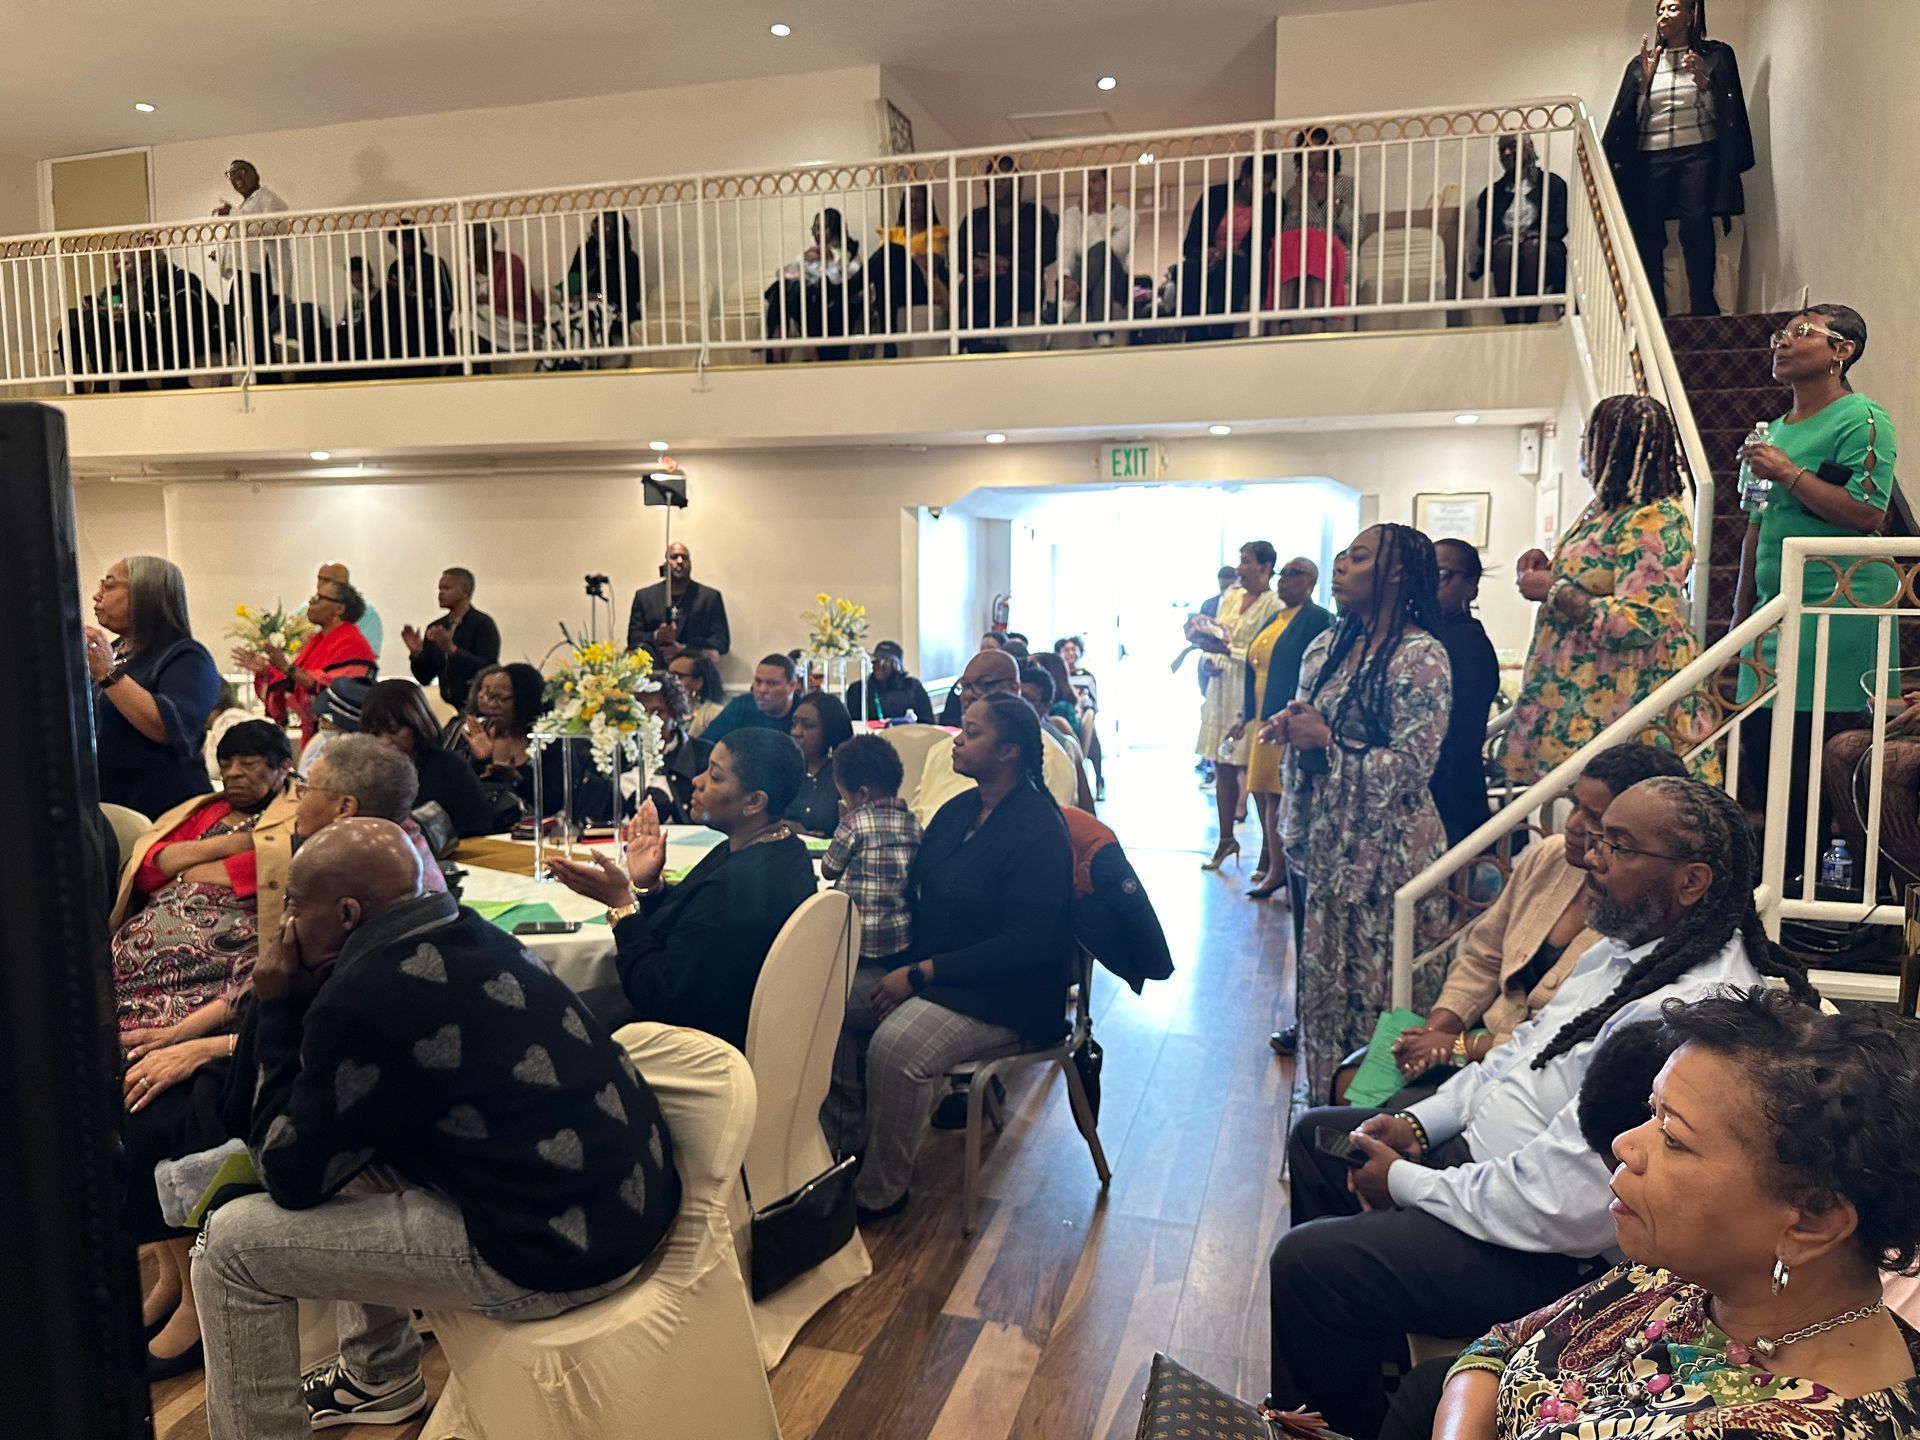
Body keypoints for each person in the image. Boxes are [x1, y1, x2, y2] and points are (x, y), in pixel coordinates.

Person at [1265, 777, 1814, 1436]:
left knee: (1309, 1265)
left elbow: (1571, 1203)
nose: (1591, 856)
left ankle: (1347, 1423)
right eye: (1598, 835)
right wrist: (1419, 1125)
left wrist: (1409, 1183)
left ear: (1692, 880)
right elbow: (1518, 1055)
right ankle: (1356, 1379)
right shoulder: (1626, 950)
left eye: (1619, 845)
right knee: (1321, 1142)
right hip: (1487, 1175)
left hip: (1549, 1248)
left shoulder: (1683, 1011)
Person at [193, 819, 680, 1439]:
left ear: (346, 913)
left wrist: (279, 1007)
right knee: (356, 1151)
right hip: (621, 1209)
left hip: (551, 1253)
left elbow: (286, 1173)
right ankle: (379, 1374)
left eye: (291, 904)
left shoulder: (366, 997)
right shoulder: (468, 931)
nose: (283, 924)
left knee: (230, 1247)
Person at [1416, 989, 1920, 1440]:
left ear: (1812, 1222)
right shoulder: (1682, 1277)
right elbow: (1499, 1347)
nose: (1624, 1144)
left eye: (1674, 1138)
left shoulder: (1808, 1422)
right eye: (1650, 1111)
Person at [120, 736, 446, 1378]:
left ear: (345, 807)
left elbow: (335, 1026)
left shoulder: (391, 879)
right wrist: (191, 1027)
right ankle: (172, 1277)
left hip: (328, 1072)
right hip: (281, 1037)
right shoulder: (339, 861)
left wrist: (207, 1048)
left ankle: (196, 1305)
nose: (293, 802)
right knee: (135, 1085)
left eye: (306, 791)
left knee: (168, 1109)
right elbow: (278, 976)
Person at [835, 695, 1072, 1221]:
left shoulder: (1038, 830)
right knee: (822, 1002)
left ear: (1009, 752)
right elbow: (918, 891)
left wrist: (919, 975)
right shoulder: (957, 811)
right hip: (934, 972)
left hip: (1008, 994)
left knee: (896, 1048)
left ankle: (879, 1191)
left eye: (971, 732)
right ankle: (844, 1155)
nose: (956, 741)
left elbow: (1025, 945)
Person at [1389, 743, 1689, 1088]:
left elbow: (1575, 1035)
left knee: (1359, 1124)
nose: (1574, 823)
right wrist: (1437, 1030)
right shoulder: (1548, 858)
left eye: (1595, 817)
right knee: (1350, 1083)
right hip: (1481, 1042)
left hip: (1539, 1074)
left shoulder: (1642, 909)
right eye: (1575, 804)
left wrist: (1463, 1046)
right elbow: (1483, 958)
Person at [1269, 526, 1450, 1086]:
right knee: (1327, 987)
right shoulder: (1328, 646)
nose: (1342, 565)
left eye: (1359, 556)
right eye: (1343, 555)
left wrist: (1326, 740)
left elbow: (1412, 769)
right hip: (1331, 844)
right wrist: (1295, 728)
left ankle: (1380, 1119)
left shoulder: (1423, 657)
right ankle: (1328, 1116)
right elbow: (1316, 724)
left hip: (1392, 853)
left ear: (1396, 573)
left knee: (1388, 988)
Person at [1732, 305, 1898, 883]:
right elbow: (1754, 527)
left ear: (1841, 351)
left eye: (1801, 333)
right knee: (1765, 754)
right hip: (1774, 618)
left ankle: (1825, 897)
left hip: (1839, 618)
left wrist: (1789, 474)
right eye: (1782, 333)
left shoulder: (1863, 417)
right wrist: (1739, 622)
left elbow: (1869, 515)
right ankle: (1776, 888)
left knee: (1822, 764)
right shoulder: (1770, 432)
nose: (1782, 342)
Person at [546, 731, 816, 1049]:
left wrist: (621, 905)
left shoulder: (735, 888)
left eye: (715, 776)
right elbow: (693, 928)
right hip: (756, 1033)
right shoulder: (783, 850)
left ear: (754, 801)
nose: (697, 781)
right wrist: (650, 887)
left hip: (702, 1051)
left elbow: (659, 996)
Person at [1501, 396, 1709, 786]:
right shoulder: (1605, 509)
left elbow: (1638, 622)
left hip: (1623, 694)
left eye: (1589, 438)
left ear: (1616, 446)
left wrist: (1555, 590)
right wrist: (1552, 566)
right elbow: (1597, 576)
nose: (1583, 449)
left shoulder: (1656, 519)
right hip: (1581, 687)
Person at [109, 720, 298, 1044]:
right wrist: (225, 846)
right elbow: (148, 870)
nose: (234, 773)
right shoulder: (204, 811)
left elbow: (271, 870)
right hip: (145, 944)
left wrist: (186, 868)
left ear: (283, 767)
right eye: (226, 764)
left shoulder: (302, 812)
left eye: (249, 764)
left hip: (235, 942)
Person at [1602, 0, 1754, 317]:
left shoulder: (1715, 56)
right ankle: (1653, 307)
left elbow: (1725, 118)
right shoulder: (1641, 63)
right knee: (1646, 228)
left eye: (1672, 8)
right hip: (1650, 156)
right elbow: (1630, 123)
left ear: (1691, 15)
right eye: (1660, 10)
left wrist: (1704, 85)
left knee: (1696, 221)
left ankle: (1703, 303)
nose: (1663, 15)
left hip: (1696, 153)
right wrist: (1643, 87)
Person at [84, 555, 222, 817]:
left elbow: (168, 727)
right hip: (111, 804)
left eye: (109, 586)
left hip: (166, 811)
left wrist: (106, 672)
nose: (96, 595)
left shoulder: (186, 656)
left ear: (144, 594)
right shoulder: (113, 654)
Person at [1228, 556, 1331, 900]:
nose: (1284, 580)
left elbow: (1315, 672)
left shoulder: (1317, 619)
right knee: (1262, 791)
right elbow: (1252, 665)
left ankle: (1281, 871)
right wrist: (1244, 712)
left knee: (1279, 794)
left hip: (1284, 718)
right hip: (1262, 714)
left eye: (1294, 574)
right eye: (1283, 574)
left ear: (1311, 581)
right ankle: (1273, 863)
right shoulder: (1276, 616)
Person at [1189, 542, 1283, 872]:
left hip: (1250, 690)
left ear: (1265, 566)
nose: (1240, 569)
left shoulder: (1275, 604)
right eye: (1240, 561)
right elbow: (1219, 636)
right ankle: (1226, 838)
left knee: (1254, 773)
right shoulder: (1229, 597)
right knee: (1222, 767)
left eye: (1246, 562)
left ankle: (1269, 853)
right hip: (1221, 688)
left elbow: (1265, 653)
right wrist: (1207, 657)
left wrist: (1229, 653)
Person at [913, 649, 1083, 822]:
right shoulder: (943, 749)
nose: (969, 695)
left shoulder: (1049, 757)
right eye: (965, 686)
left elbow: (1045, 825)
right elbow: (918, 812)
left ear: (1013, 689)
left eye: (983, 684)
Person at [820, 734, 923, 973]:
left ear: (862, 794)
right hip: (900, 938)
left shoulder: (854, 823)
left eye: (844, 795)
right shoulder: (914, 824)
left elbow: (828, 870)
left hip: (855, 937)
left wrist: (843, 820)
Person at [242, 576, 377, 747]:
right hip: (313, 732)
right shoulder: (317, 640)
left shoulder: (352, 643)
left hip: (340, 737)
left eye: (319, 598)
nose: (311, 602)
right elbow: (295, 681)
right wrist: (266, 671)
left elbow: (334, 688)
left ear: (339, 608)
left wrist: (286, 667)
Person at [1429, 539, 1502, 848]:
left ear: (1470, 586)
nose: (1429, 585)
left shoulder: (1467, 642)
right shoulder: (1429, 635)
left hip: (1451, 797)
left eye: (1442, 574)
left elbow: (1460, 737)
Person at [356, 679, 496, 839]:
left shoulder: (449, 767)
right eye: (375, 733)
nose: (385, 741)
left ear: (417, 723)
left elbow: (478, 828)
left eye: (394, 730)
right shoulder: (361, 772)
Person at [955, 155, 1059, 348]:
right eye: (993, 179)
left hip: (1021, 281)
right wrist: (976, 263)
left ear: (1017, 182)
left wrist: (1008, 262)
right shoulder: (975, 218)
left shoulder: (1036, 214)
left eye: (1003, 179)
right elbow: (956, 255)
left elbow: (1049, 251)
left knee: (1018, 281)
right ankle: (970, 339)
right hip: (981, 281)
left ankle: (977, 335)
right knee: (966, 290)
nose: (998, 184)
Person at [1469, 134, 1571, 325]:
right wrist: (1503, 239)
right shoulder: (1491, 193)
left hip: (1545, 253)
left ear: (1529, 148)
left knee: (1532, 246)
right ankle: (1512, 320)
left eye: (1512, 146)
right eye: (1502, 149)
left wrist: (1538, 235)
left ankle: (1531, 318)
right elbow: (1485, 236)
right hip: (1506, 256)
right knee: (1504, 247)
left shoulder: (1554, 185)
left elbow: (1559, 226)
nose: (1507, 153)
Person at [1179, 154, 1278, 340]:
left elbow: (1263, 247)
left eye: (1268, 186)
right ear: (1245, 178)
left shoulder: (1272, 204)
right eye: (1261, 184)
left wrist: (1225, 254)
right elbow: (1190, 243)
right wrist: (1206, 254)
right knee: (1189, 268)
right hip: (1209, 263)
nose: (1264, 191)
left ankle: (1221, 334)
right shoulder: (1215, 196)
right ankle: (1194, 335)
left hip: (1243, 266)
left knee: (1234, 266)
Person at [1272, 129, 1358, 329]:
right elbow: (1288, 236)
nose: (1312, 155)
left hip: (1332, 250)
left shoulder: (1345, 185)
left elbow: (1357, 231)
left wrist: (1335, 202)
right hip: (1300, 253)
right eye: (1307, 149)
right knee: (1288, 247)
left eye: (1317, 149)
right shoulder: (1294, 191)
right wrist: (1297, 202)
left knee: (1316, 240)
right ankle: (1284, 322)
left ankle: (1317, 320)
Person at [212, 159, 288, 370]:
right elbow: (244, 237)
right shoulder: (246, 205)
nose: (238, 178)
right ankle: (251, 370)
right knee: (238, 324)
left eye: (243, 172)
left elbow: (275, 227)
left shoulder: (267, 198)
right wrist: (221, 253)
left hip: (261, 273)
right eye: (232, 175)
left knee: (253, 327)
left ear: (256, 174)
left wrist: (235, 215)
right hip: (245, 272)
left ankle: (263, 375)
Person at [764, 207, 865, 361]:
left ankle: (808, 353)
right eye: (815, 228)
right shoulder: (813, 254)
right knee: (780, 288)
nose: (818, 233)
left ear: (835, 227)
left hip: (835, 306)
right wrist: (802, 266)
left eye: (822, 227)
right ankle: (776, 353)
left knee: (806, 290)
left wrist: (829, 260)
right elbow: (783, 272)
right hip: (809, 301)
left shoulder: (852, 254)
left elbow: (848, 283)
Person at [403, 566, 501, 710]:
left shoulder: (483, 624)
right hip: (454, 706)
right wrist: (417, 654)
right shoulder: (437, 627)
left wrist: (452, 650)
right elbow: (425, 678)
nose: (440, 594)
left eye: (446, 588)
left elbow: (490, 668)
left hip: (483, 707)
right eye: (439, 589)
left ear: (465, 591)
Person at [870, 185, 949, 351]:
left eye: (917, 201)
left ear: (927, 203)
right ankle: (889, 344)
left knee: (893, 251)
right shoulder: (893, 234)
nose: (913, 206)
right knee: (886, 275)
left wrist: (903, 257)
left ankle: (847, 288)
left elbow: (929, 263)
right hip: (897, 289)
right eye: (909, 201)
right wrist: (912, 256)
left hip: (922, 287)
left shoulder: (935, 233)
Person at [1054, 168, 1132, 335]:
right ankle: (1103, 335)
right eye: (1086, 182)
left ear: (1108, 184)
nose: (1089, 187)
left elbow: (1114, 252)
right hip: (1081, 274)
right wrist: (1066, 276)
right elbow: (1066, 246)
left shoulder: (1127, 217)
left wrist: (1088, 217)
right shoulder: (1072, 214)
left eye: (1094, 181)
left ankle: (1063, 306)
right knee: (1102, 272)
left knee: (1103, 253)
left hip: (1116, 278)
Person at [625, 541, 731, 660]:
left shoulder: (710, 597)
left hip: (694, 672)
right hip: (653, 670)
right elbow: (633, 638)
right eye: (674, 557)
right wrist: (657, 635)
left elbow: (722, 641)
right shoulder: (644, 597)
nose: (680, 561)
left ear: (690, 563)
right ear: (665, 564)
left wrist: (686, 649)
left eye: (684, 557)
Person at [635, 671, 712, 826]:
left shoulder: (703, 756)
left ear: (675, 714)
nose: (649, 720)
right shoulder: (615, 755)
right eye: (641, 713)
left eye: (659, 712)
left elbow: (709, 817)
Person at [467, 220, 546, 359]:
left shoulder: (511, 262)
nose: (470, 249)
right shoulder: (474, 268)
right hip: (494, 318)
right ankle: (474, 368)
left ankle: (478, 368)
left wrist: (480, 301)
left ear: (488, 243)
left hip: (520, 320)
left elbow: (506, 302)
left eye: (475, 244)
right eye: (468, 244)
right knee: (459, 318)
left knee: (474, 317)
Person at [383, 221, 456, 368]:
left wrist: (415, 297)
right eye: (396, 241)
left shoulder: (434, 263)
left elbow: (447, 303)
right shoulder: (395, 267)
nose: (399, 245)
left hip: (430, 322)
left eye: (403, 240)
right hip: (401, 325)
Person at [787, 690, 856, 836]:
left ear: (830, 731)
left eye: (808, 726)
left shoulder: (846, 775)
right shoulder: (784, 769)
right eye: (794, 724)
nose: (796, 732)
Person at [702, 653, 802, 743]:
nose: (762, 690)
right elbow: (706, 743)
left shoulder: (802, 713)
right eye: (758, 682)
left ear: (792, 686)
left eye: (772, 683)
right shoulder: (741, 706)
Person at [1050, 638, 1105, 800]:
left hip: (1078, 718)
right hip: (1064, 716)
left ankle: (1098, 779)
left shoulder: (1087, 676)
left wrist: (1082, 707)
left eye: (1074, 650)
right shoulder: (1056, 675)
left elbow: (1093, 703)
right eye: (1066, 650)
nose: (1070, 653)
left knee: (1092, 732)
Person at [845, 639, 934, 723]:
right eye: (876, 660)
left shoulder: (912, 687)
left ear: (896, 666)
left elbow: (928, 723)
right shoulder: (859, 689)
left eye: (884, 662)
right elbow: (853, 724)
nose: (879, 665)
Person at [317, 561, 383, 655]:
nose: (321, 584)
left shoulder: (367, 613)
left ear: (344, 583)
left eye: (327, 580)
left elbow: (369, 654)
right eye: (319, 579)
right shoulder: (307, 609)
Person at [667, 650, 727, 737]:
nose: (670, 682)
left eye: (678, 677)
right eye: (668, 675)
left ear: (698, 682)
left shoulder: (714, 714)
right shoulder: (665, 710)